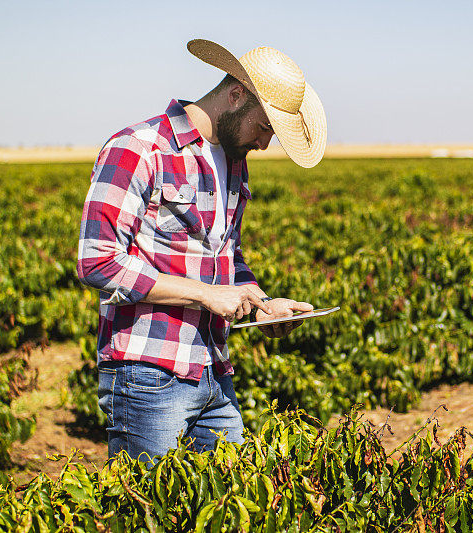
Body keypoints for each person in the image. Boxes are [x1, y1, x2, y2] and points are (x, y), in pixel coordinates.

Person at [76, 39, 327, 462]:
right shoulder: (139, 148)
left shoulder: (233, 160)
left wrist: (262, 304)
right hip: (148, 373)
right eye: (265, 128)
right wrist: (206, 295)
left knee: (236, 496)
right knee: (151, 512)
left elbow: (229, 255)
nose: (265, 144)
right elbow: (96, 260)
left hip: (213, 368)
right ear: (235, 95)